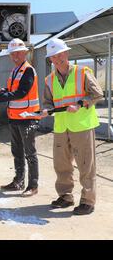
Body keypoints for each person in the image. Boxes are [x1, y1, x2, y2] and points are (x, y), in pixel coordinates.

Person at [42, 38, 103, 215]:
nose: (57, 58)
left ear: (67, 53)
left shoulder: (82, 72)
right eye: (53, 56)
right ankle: (65, 196)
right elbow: (47, 102)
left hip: (82, 126)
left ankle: (88, 201)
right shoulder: (49, 80)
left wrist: (81, 104)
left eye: (60, 54)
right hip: (61, 126)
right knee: (61, 165)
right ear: (50, 59)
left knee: (85, 164)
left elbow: (97, 93)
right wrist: (45, 111)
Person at [0, 38, 40, 197]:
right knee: (17, 151)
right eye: (13, 54)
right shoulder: (15, 71)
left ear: (24, 53)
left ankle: (33, 186)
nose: (15, 56)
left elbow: (22, 92)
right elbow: (14, 89)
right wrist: (3, 91)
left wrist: (4, 97)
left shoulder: (28, 70)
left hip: (27, 118)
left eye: (18, 53)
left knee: (30, 153)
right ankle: (18, 182)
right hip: (15, 117)